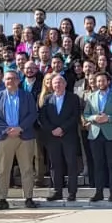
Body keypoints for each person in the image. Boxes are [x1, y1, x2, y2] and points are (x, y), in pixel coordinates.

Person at [0, 70, 39, 210]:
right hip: (5, 137)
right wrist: (6, 129)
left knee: (27, 169)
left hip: (24, 136)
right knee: (3, 169)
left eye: (12, 79)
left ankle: (29, 198)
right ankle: (2, 198)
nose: (9, 81)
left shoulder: (27, 96)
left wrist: (20, 128)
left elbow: (33, 114)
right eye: (7, 79)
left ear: (18, 81)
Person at [82, 71, 112, 203]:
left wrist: (108, 118)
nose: (100, 83)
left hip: (111, 135)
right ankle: (99, 192)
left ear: (108, 82)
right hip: (95, 135)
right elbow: (86, 114)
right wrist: (95, 117)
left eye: (103, 81)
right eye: (98, 81)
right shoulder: (90, 97)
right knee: (98, 165)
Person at [40, 73, 83, 202]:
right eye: (55, 83)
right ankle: (57, 191)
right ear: (52, 85)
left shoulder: (73, 98)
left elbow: (75, 116)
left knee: (71, 164)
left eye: (60, 83)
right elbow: (42, 118)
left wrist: (62, 128)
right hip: (52, 137)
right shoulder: (47, 99)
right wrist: (52, 130)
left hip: (68, 136)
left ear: (65, 84)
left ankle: (72, 192)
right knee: (55, 165)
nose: (57, 85)